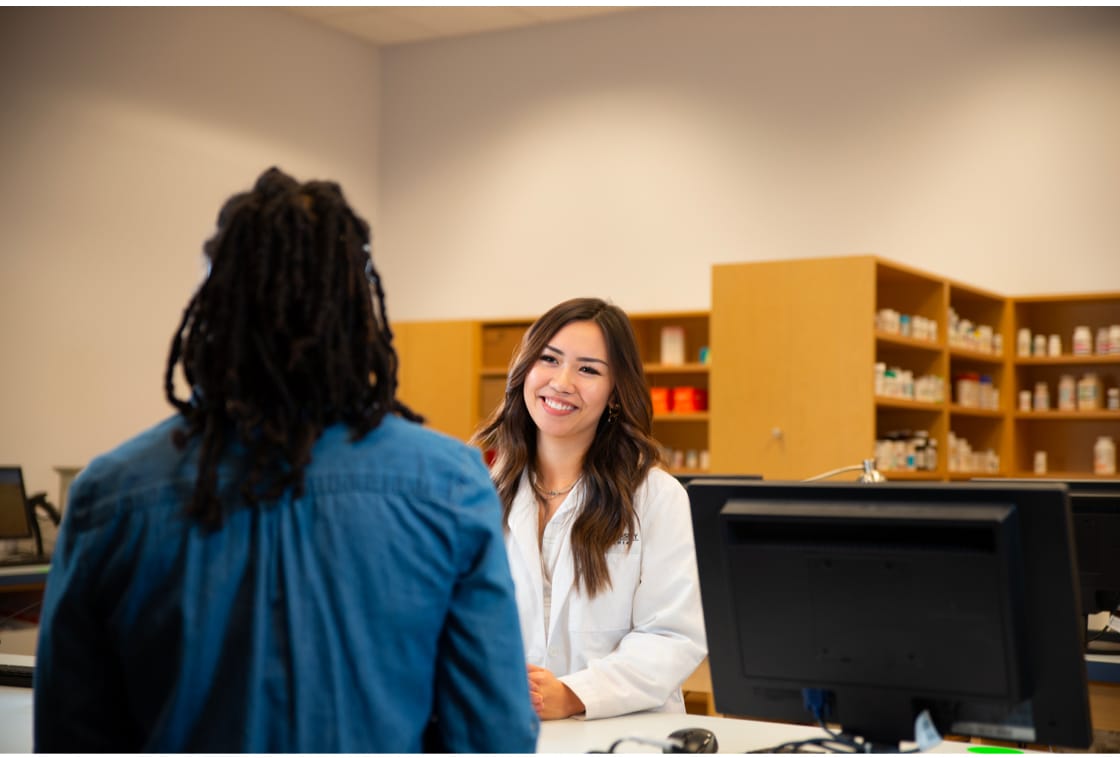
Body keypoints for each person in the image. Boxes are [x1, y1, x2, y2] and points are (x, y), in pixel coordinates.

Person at [33, 168, 539, 753]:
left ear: (213, 307)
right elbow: (493, 735)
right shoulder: (450, 485)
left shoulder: (109, 494)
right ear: (357, 311)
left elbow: (70, 738)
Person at [471, 297, 707, 721]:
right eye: (549, 359)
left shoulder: (655, 497)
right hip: (509, 727)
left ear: (615, 391)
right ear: (524, 369)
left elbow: (672, 636)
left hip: (624, 735)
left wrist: (573, 694)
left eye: (588, 370)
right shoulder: (483, 494)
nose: (562, 382)